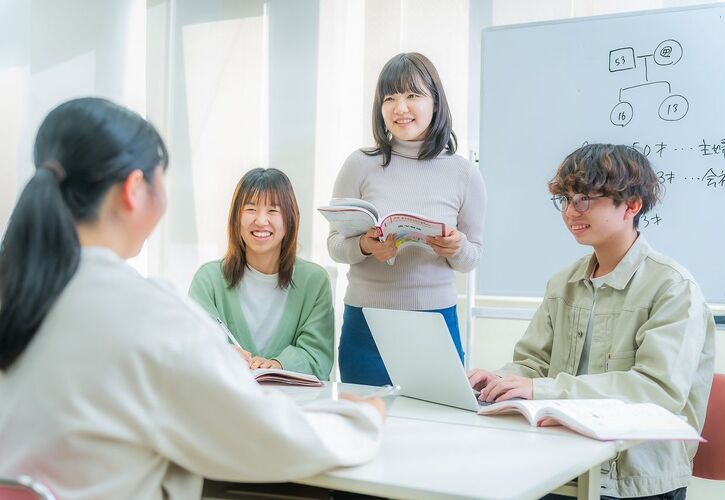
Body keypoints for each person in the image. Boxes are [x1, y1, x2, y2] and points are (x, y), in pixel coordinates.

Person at [0, 97, 384, 500]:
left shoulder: (18, 287)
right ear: (135, 189)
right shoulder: (145, 313)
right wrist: (360, 420)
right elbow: (256, 435)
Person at [468, 144, 715, 499]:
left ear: (632, 205)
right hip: (560, 464)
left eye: (584, 199)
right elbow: (533, 363)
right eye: (565, 200)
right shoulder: (563, 283)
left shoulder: (673, 288)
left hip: (632, 482)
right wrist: (502, 381)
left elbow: (657, 392)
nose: (571, 211)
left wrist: (544, 390)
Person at [328, 52, 486, 386]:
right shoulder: (359, 164)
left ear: (435, 101)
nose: (401, 108)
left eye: (413, 95)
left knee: (433, 427)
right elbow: (334, 245)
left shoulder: (464, 173)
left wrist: (456, 247)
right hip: (366, 322)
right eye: (390, 98)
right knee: (365, 425)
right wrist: (365, 246)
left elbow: (472, 258)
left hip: (435, 321)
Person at [189, 168, 334, 379]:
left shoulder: (314, 281)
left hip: (294, 406)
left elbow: (317, 355)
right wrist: (222, 353)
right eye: (250, 209)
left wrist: (277, 365)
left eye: (273, 211)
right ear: (236, 218)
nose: (260, 220)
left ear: (290, 219)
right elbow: (192, 346)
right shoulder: (208, 279)